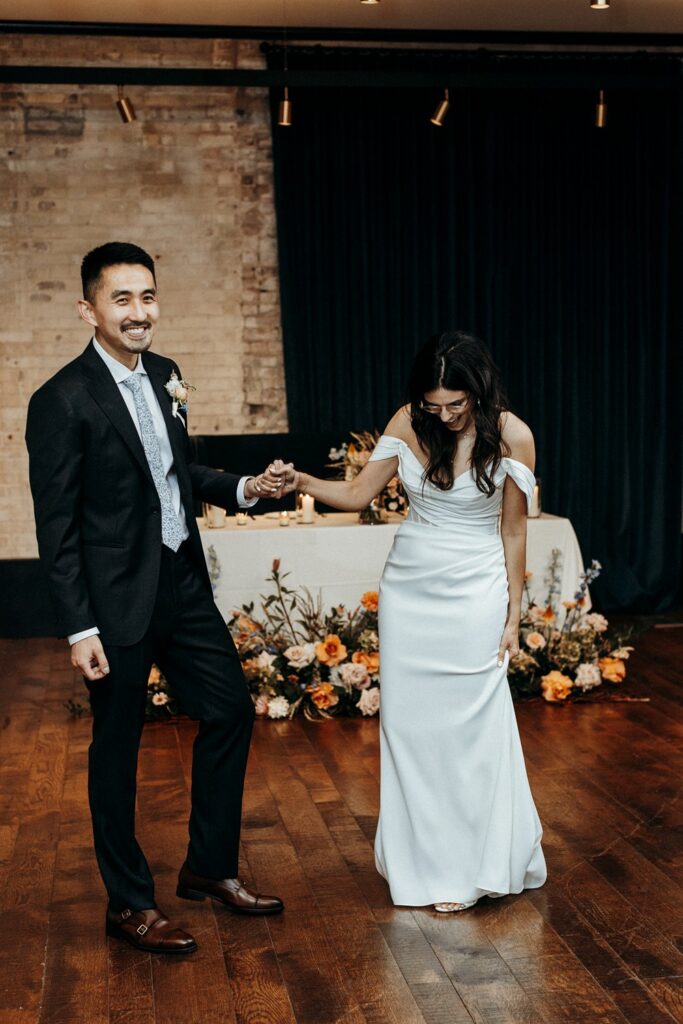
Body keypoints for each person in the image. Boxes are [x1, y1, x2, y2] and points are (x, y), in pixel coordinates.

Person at [25, 242, 285, 954]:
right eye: (122, 299)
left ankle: (208, 869)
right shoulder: (61, 400)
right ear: (89, 309)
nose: (139, 313)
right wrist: (79, 627)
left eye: (147, 297)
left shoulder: (166, 375)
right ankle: (129, 904)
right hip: (112, 603)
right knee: (117, 749)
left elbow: (175, 472)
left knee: (230, 709)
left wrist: (244, 490)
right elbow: (57, 526)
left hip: (181, 581)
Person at [276, 331, 547, 912]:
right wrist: (302, 482)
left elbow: (514, 530)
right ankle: (426, 864)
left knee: (472, 731)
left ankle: (475, 867)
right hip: (411, 592)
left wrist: (513, 616)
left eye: (457, 405)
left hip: (475, 589)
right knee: (412, 732)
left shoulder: (515, 435)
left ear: (478, 390)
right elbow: (355, 496)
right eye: (435, 406)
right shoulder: (406, 422)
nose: (445, 416)